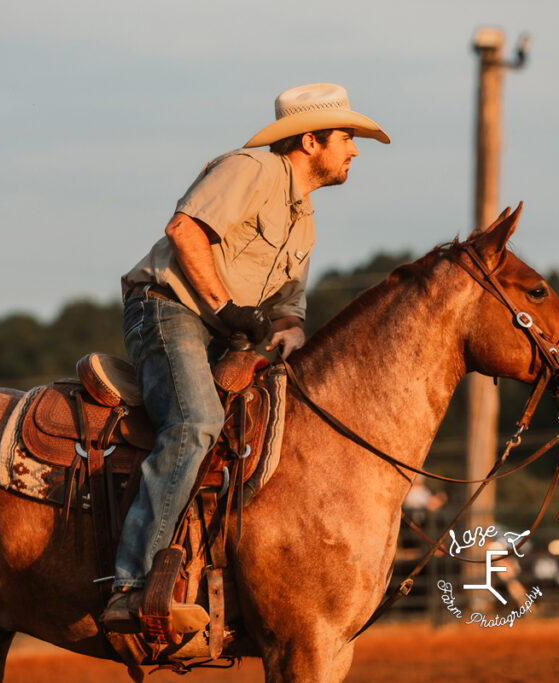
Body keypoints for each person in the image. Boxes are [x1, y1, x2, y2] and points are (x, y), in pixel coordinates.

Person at [102, 83, 390, 631]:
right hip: (168, 311)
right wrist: (226, 307)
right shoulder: (251, 169)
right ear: (311, 140)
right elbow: (184, 232)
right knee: (197, 423)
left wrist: (290, 332)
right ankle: (131, 585)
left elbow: (287, 306)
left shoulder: (303, 215)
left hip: (225, 333)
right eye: (348, 137)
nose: (355, 150)